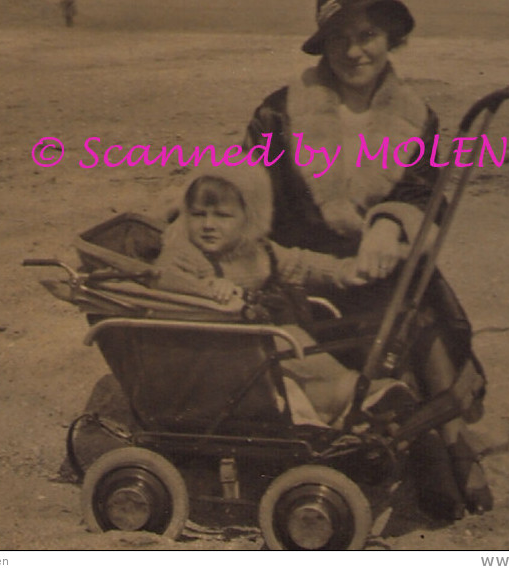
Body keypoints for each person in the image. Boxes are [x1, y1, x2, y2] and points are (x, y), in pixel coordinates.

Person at [243, 0, 492, 520]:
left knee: (422, 309)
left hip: (384, 265)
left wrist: (390, 226)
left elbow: (424, 192)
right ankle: (438, 453)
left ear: (391, 39)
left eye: (369, 36)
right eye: (341, 39)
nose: (356, 52)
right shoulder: (280, 111)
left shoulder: (417, 116)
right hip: (307, 273)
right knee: (404, 319)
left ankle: (452, 442)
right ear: (324, 45)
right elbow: (249, 188)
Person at [155, 163, 416, 428]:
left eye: (222, 216)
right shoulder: (185, 253)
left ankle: (341, 401)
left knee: (294, 348)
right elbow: (164, 280)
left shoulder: (257, 251)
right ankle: (349, 396)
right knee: (282, 345)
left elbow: (300, 264)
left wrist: (343, 271)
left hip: (253, 352)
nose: (208, 225)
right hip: (209, 357)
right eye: (198, 215)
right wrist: (206, 288)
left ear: (248, 217)